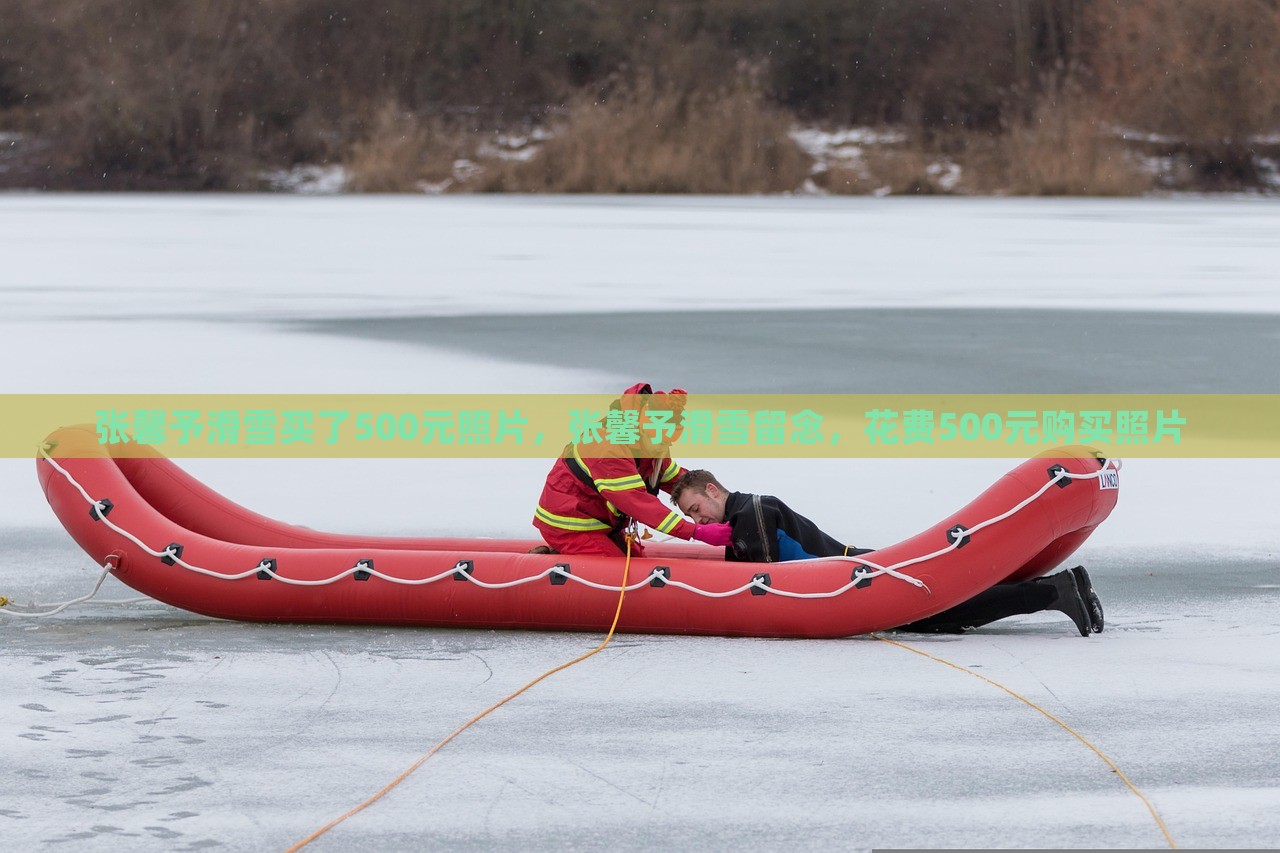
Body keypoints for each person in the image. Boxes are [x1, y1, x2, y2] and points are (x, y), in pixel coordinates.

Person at [670, 469, 1105, 636]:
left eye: (696, 510)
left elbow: (757, 578)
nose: (701, 521)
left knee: (947, 611)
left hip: (857, 574)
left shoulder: (750, 512)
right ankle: (1053, 591)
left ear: (712, 490)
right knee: (946, 612)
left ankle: (1055, 592)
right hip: (855, 568)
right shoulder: (747, 511)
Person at [531, 384, 734, 557]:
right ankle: (557, 560)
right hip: (570, 526)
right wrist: (695, 531)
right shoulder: (608, 445)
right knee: (620, 577)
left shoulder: (652, 443)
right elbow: (637, 502)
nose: (662, 447)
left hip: (603, 524)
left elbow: (679, 481)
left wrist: (727, 505)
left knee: (639, 564)